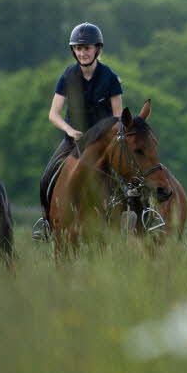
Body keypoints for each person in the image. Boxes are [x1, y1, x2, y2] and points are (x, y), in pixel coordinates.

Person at [34, 22, 124, 237]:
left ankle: (141, 217)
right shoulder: (68, 76)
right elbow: (53, 114)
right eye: (78, 48)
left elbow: (118, 116)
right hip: (73, 141)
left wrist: (108, 136)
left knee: (129, 177)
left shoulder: (110, 78)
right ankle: (47, 222)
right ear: (73, 51)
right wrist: (70, 130)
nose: (83, 53)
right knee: (47, 176)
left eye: (87, 48)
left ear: (97, 49)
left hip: (103, 144)